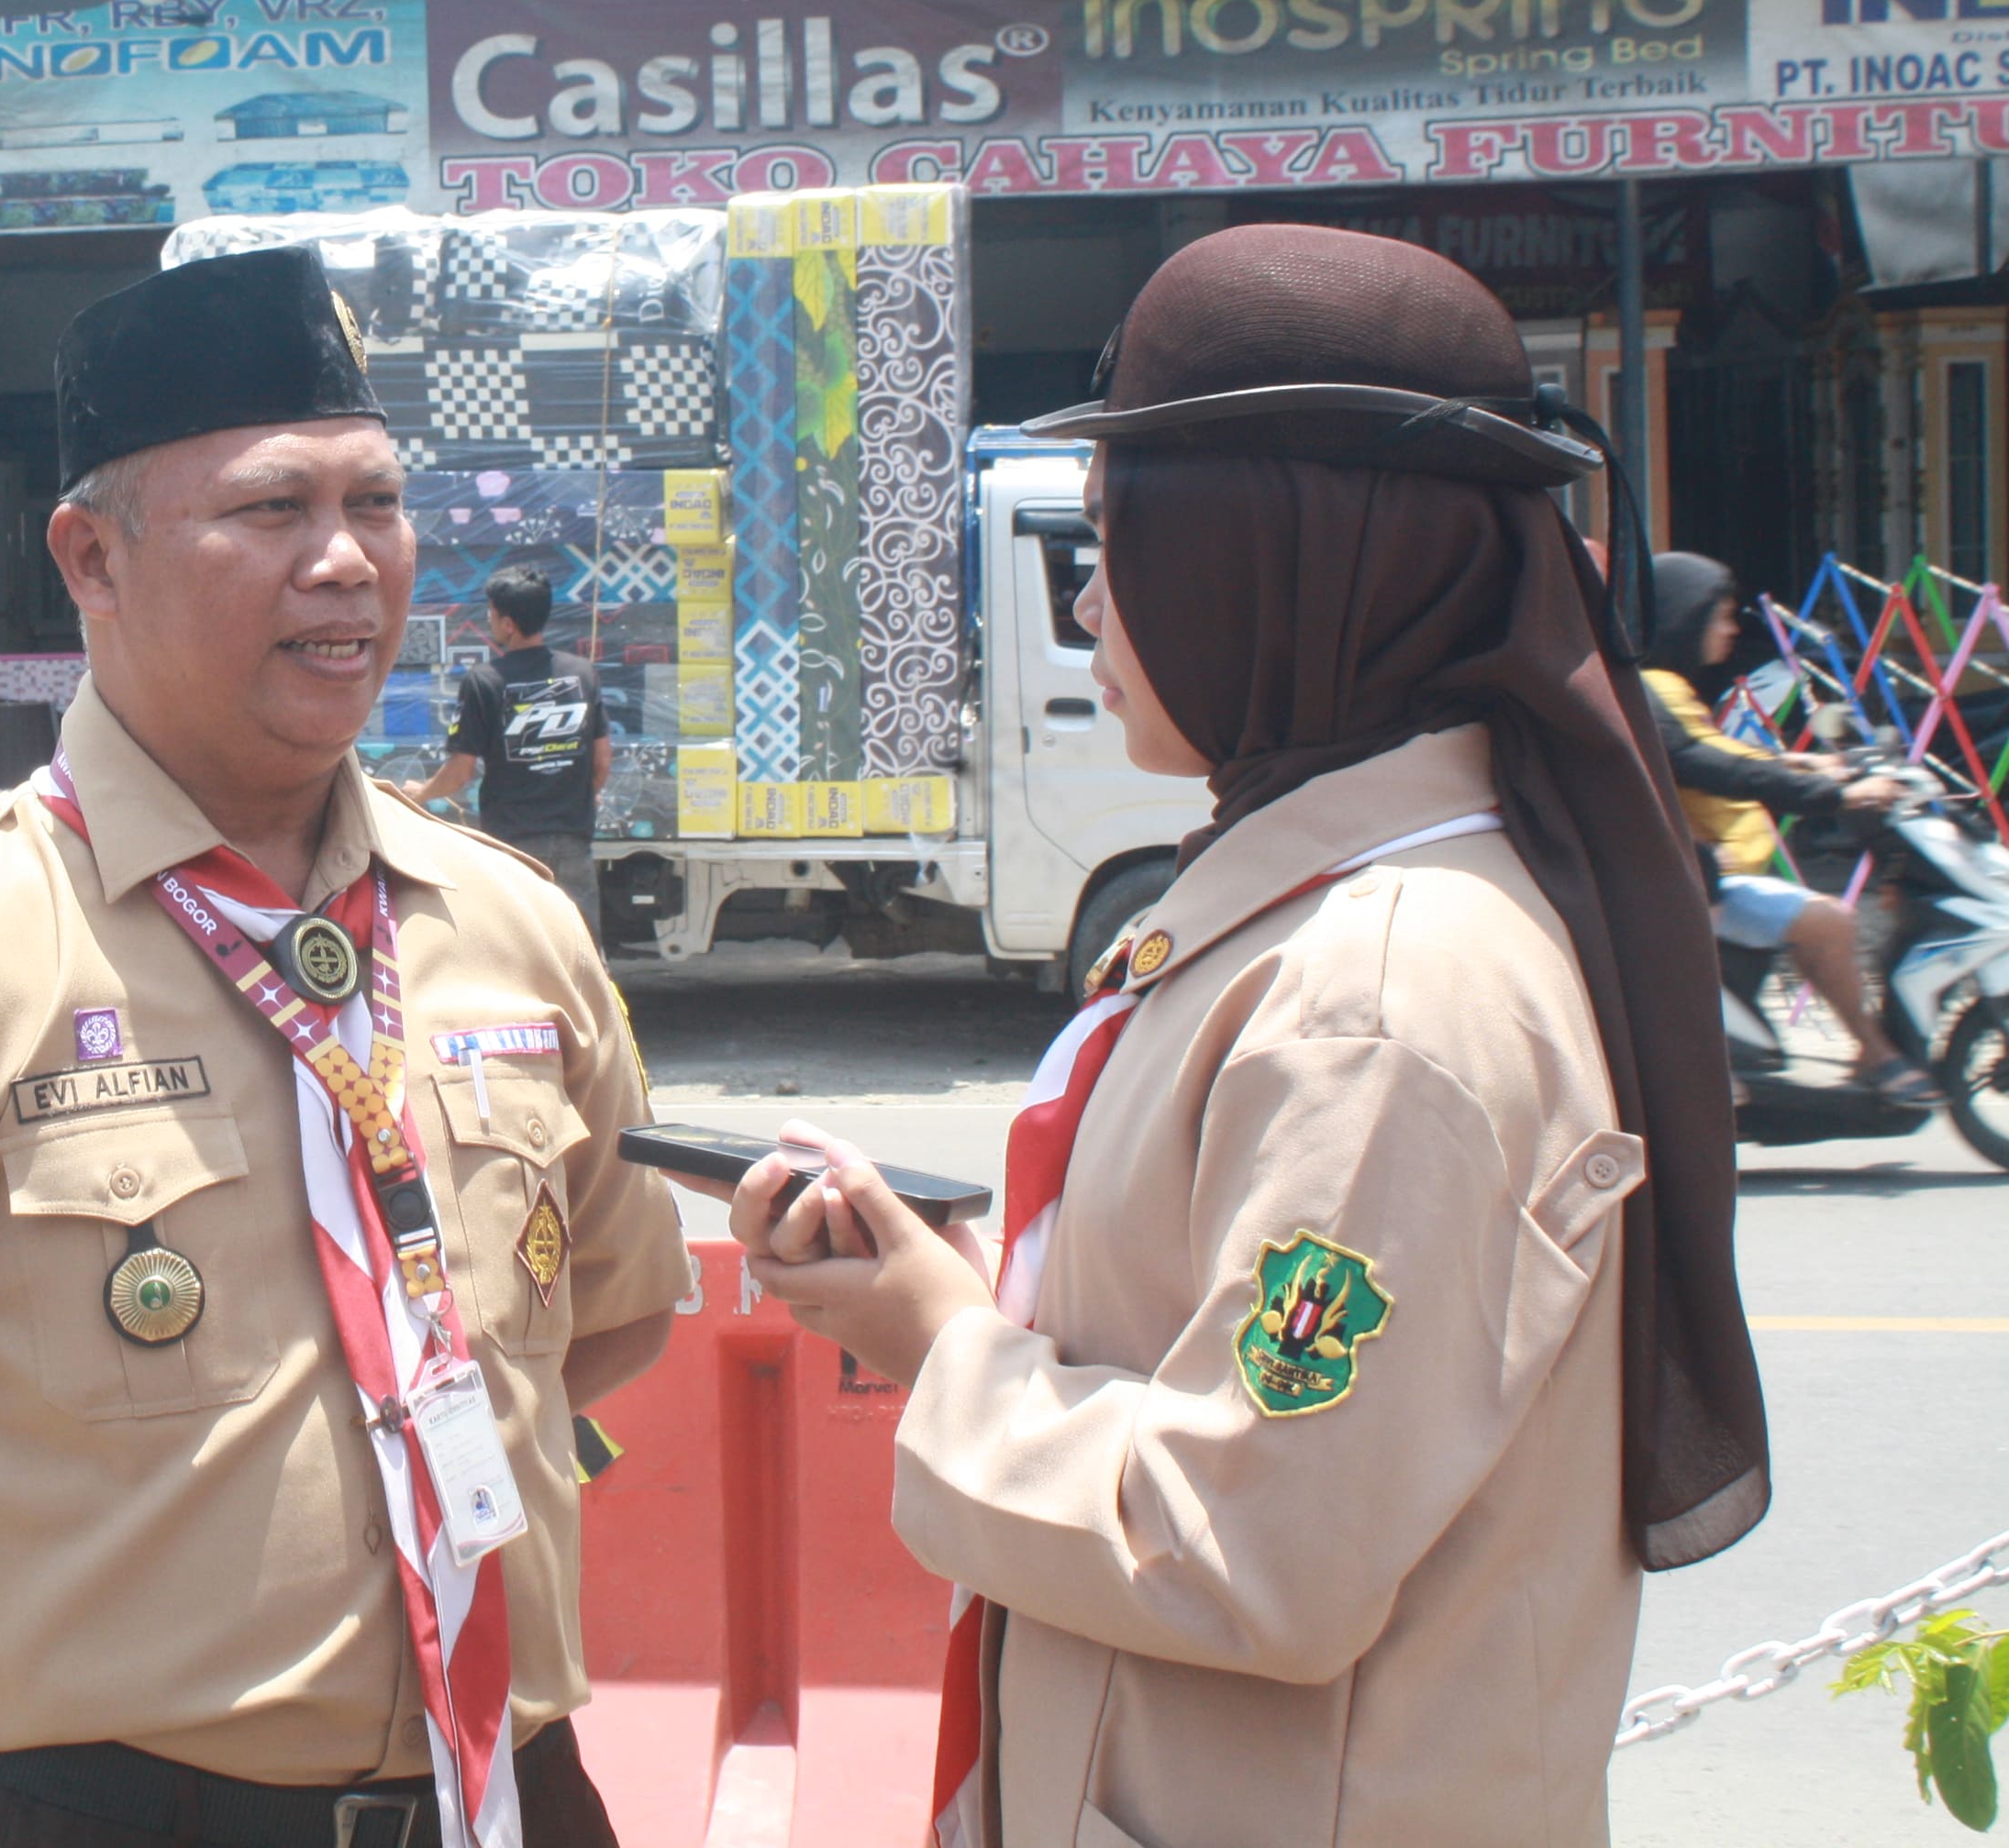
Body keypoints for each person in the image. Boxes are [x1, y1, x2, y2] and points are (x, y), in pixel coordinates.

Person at [712, 227, 1767, 1848]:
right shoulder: (1336, 895)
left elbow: (1249, 1543)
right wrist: (995, 1264)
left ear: (1263, 560)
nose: (1082, 599)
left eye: (1117, 539)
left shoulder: (1379, 989)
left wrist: (939, 1336)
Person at [0, 243, 693, 1848]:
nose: (345, 564)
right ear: (92, 556)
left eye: (375, 505)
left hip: (509, 1795)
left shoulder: (507, 923)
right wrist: (59, 1535)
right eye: (271, 511)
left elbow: (603, 1321)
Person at [1640, 549, 1937, 1105]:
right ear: (1685, 617)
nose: (1730, 631)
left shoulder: (1669, 688)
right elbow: (1708, 765)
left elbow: (1718, 752)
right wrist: (1837, 792)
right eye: (1720, 616)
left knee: (1828, 920)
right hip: (1679, 889)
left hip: (1708, 880)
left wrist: (1813, 764)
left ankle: (1875, 1053)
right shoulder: (1650, 689)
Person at [411, 564, 611, 943]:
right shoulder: (582, 673)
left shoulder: (485, 681)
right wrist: (577, 797)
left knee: (521, 954)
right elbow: (602, 761)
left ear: (507, 624)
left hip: (512, 846)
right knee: (584, 955)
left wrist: (420, 794)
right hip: (573, 839)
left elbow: (460, 772)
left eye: (491, 612)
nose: (488, 619)